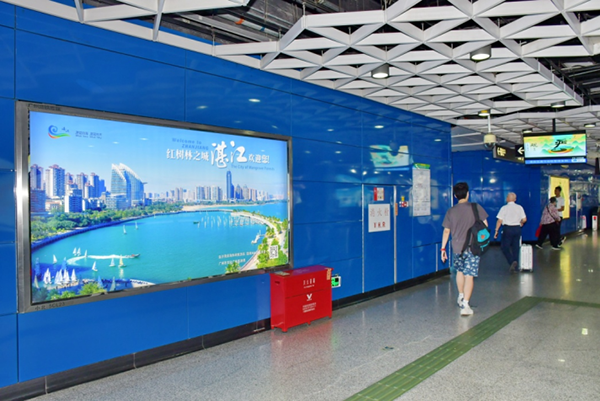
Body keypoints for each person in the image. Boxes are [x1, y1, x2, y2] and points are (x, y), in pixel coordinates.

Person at [441, 182, 489, 317]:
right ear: (468, 194)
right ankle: (466, 305)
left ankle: (461, 296)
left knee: (460, 272)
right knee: (469, 275)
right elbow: (485, 226)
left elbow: (446, 231)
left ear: (455, 196)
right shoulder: (476, 207)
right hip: (472, 247)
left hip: (457, 247)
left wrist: (443, 249)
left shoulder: (451, 211)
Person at [494, 193, 527, 272]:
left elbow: (499, 220)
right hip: (517, 229)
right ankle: (515, 265)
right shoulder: (519, 207)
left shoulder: (504, 208)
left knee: (504, 247)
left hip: (507, 229)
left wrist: (496, 230)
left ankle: (511, 261)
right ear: (515, 199)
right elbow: (524, 219)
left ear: (507, 199)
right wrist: (521, 223)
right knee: (516, 247)